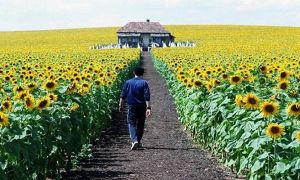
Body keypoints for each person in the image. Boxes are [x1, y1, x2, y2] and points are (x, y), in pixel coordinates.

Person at [119, 67, 151, 150]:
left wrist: (121, 105)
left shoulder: (128, 82)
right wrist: (148, 108)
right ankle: (138, 141)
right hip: (142, 106)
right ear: (142, 73)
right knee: (140, 124)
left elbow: (123, 95)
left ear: (134, 72)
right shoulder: (144, 83)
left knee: (131, 123)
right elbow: (146, 96)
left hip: (132, 106)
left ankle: (134, 140)